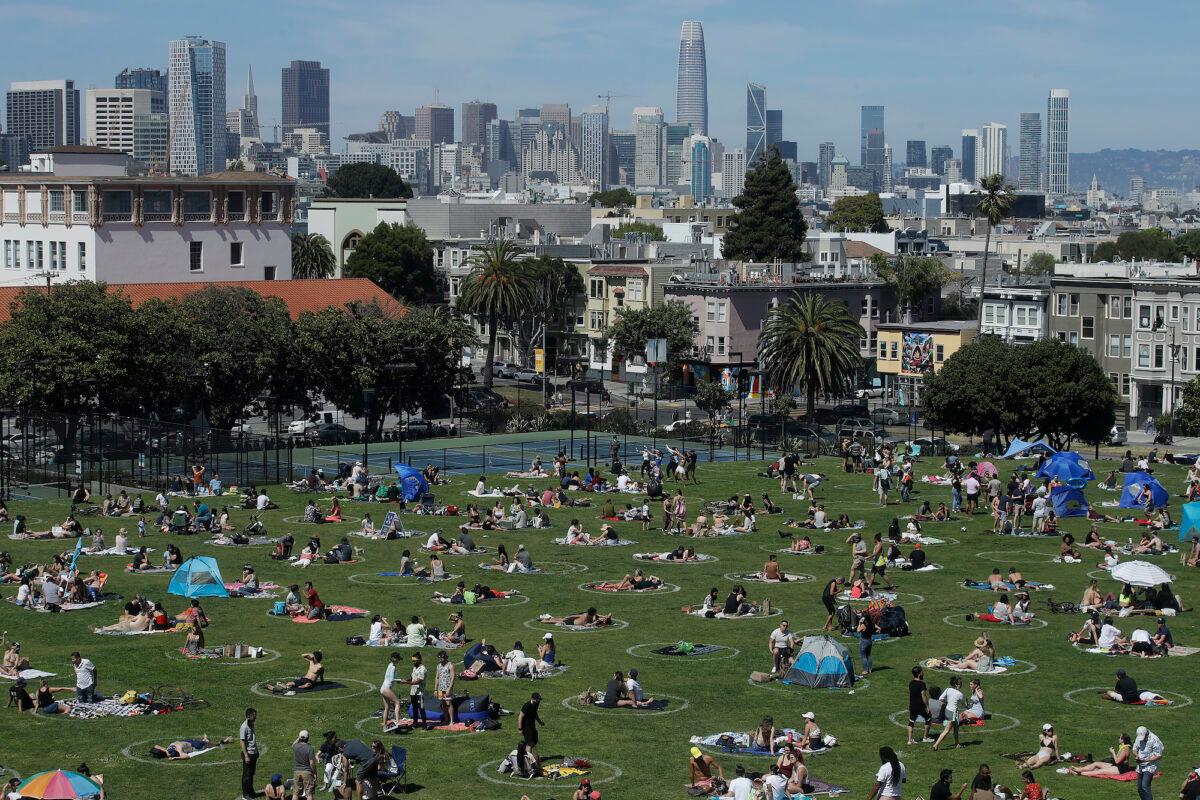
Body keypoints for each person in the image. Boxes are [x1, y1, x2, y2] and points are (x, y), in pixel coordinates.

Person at [1067, 733, 1134, 776]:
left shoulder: (1125, 749)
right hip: (1117, 766)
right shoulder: (1123, 747)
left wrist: (1113, 752)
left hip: (1121, 769)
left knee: (1099, 771)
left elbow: (1117, 761)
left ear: (1123, 740)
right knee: (1096, 763)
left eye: (1119, 737)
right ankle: (1078, 769)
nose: (1118, 739)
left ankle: (1079, 773)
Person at [932, 676, 964, 751]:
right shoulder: (960, 694)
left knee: (956, 728)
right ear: (956, 684)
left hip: (948, 711)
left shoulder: (947, 689)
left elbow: (940, 698)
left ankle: (957, 744)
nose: (960, 685)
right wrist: (968, 705)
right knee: (947, 730)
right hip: (953, 713)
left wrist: (947, 702)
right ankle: (936, 745)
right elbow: (964, 705)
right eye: (959, 684)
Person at [1134, 726, 1163, 800]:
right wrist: (1137, 755)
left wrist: (1146, 760)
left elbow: (1159, 755)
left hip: (1151, 765)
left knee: (1145, 785)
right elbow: (1135, 748)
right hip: (1141, 764)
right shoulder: (1139, 737)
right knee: (1139, 788)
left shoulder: (1154, 739)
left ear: (1146, 733)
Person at [907, 666, 934, 745]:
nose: (923, 673)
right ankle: (925, 738)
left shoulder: (911, 683)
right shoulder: (922, 684)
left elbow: (911, 694)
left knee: (911, 721)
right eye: (922, 672)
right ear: (919, 674)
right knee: (928, 719)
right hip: (920, 706)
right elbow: (924, 696)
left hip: (912, 705)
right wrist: (927, 706)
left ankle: (910, 740)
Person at [518, 692, 544, 764]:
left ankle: (527, 755)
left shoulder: (536, 703)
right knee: (529, 743)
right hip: (526, 726)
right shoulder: (527, 705)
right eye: (537, 699)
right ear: (533, 699)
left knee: (535, 740)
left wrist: (539, 722)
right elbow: (520, 716)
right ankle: (527, 761)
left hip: (532, 725)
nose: (539, 701)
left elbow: (535, 713)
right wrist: (520, 728)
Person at [404, 652, 428, 728]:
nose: (413, 662)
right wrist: (404, 680)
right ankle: (415, 723)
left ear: (419, 660)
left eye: (414, 661)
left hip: (420, 693)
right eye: (412, 661)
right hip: (413, 692)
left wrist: (406, 682)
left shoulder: (422, 669)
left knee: (421, 708)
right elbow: (412, 678)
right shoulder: (415, 667)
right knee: (414, 708)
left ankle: (424, 725)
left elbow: (418, 681)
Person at [291, 730, 316, 800]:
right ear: (308, 738)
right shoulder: (310, 748)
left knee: (295, 793)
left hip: (296, 771)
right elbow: (311, 763)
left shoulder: (295, 746)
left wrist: (299, 737)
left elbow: (293, 744)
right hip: (307, 772)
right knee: (309, 793)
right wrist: (314, 772)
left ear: (300, 738)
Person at [240, 708, 259, 800]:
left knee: (251, 774)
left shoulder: (251, 724)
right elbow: (242, 742)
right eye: (253, 715)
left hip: (253, 753)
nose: (255, 717)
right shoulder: (244, 727)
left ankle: (251, 791)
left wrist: (256, 751)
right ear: (248, 716)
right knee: (247, 775)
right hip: (248, 754)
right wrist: (246, 755)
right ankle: (245, 794)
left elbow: (252, 740)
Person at [434, 650, 456, 724]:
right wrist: (435, 689)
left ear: (445, 657)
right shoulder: (439, 666)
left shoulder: (450, 665)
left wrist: (449, 689)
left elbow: (452, 678)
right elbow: (437, 677)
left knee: (448, 703)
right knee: (443, 704)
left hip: (447, 687)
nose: (440, 659)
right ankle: (446, 720)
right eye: (439, 658)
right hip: (441, 687)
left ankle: (451, 721)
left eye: (441, 658)